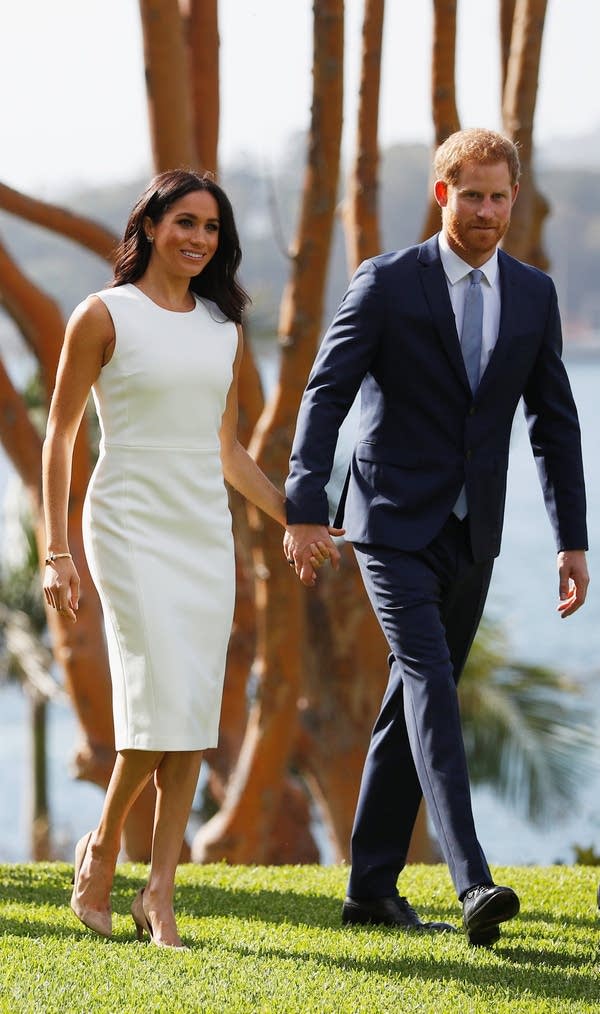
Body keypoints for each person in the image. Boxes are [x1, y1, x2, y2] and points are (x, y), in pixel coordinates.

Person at [283, 129, 589, 946]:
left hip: (474, 531)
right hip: (386, 522)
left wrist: (571, 539)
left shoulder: (532, 295)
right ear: (442, 193)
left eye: (500, 196)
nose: (487, 211)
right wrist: (305, 505)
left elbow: (554, 426)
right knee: (432, 685)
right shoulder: (386, 283)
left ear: (513, 199)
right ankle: (472, 880)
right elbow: (326, 393)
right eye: (473, 195)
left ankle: (370, 890)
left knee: (407, 703)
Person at [42, 170, 331, 949]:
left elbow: (229, 452)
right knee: (159, 699)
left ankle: (161, 892)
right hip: (127, 522)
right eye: (185, 222)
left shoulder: (221, 329)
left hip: (202, 527)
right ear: (152, 226)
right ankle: (102, 847)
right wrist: (55, 549)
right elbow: (61, 436)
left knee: (193, 714)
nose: (198, 238)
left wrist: (296, 518)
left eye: (211, 227)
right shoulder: (102, 315)